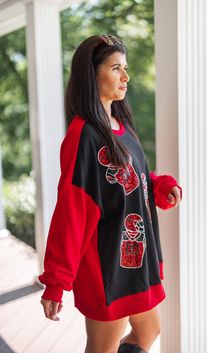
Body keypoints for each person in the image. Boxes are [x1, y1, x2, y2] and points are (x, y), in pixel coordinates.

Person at [38, 34, 182, 353]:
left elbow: (134, 175)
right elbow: (71, 210)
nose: (126, 77)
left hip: (137, 259)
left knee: (149, 331)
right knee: (103, 348)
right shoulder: (83, 136)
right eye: (116, 68)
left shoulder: (121, 124)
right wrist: (56, 281)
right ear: (92, 75)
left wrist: (159, 185)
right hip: (108, 266)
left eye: (126, 68)